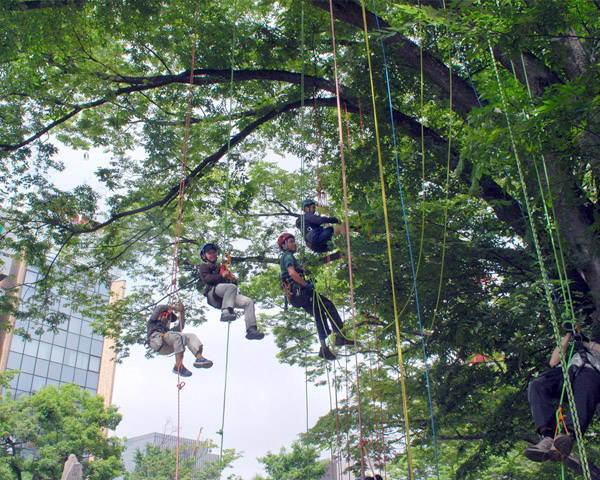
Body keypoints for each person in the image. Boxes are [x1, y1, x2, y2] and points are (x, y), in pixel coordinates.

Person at [524, 329, 600, 464]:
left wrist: (586, 343)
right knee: (537, 384)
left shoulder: (593, 348)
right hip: (569, 373)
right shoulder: (574, 354)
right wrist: (568, 335)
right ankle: (547, 435)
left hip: (591, 376)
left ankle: (568, 434)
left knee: (586, 381)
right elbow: (554, 362)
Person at [278, 232, 353, 360]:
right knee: (328, 305)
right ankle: (340, 335)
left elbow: (293, 272)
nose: (294, 243)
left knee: (319, 315)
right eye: (290, 242)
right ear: (284, 246)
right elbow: (292, 273)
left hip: (296, 297)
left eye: (293, 241)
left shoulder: (287, 258)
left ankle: (324, 348)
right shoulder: (287, 256)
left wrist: (302, 271)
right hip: (301, 292)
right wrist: (306, 284)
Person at [199, 243, 265, 340]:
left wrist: (233, 280)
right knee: (231, 287)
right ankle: (225, 312)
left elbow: (232, 287)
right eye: (209, 253)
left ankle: (251, 329)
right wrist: (221, 276)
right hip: (213, 293)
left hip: (225, 296)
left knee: (248, 302)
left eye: (213, 252)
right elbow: (206, 278)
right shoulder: (204, 266)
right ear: (204, 256)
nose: (212, 254)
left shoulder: (222, 268)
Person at [146, 301, 213, 377]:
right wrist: (176, 308)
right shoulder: (152, 322)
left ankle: (199, 357)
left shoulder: (168, 331)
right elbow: (160, 307)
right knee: (178, 336)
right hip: (156, 340)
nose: (168, 320)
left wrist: (182, 312)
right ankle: (178, 366)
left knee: (189, 336)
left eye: (169, 319)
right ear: (160, 317)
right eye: (167, 317)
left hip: (166, 347)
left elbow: (181, 326)